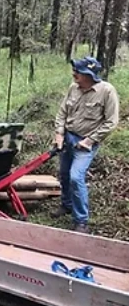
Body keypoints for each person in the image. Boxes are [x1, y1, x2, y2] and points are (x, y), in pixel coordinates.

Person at [53, 56, 119, 233]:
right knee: (64, 174)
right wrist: (59, 133)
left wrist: (89, 140)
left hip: (87, 141)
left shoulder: (107, 91)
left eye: (78, 72)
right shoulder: (73, 87)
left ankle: (81, 220)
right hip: (69, 137)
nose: (74, 74)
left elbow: (111, 122)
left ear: (89, 74)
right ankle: (66, 205)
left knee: (76, 177)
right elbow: (62, 112)